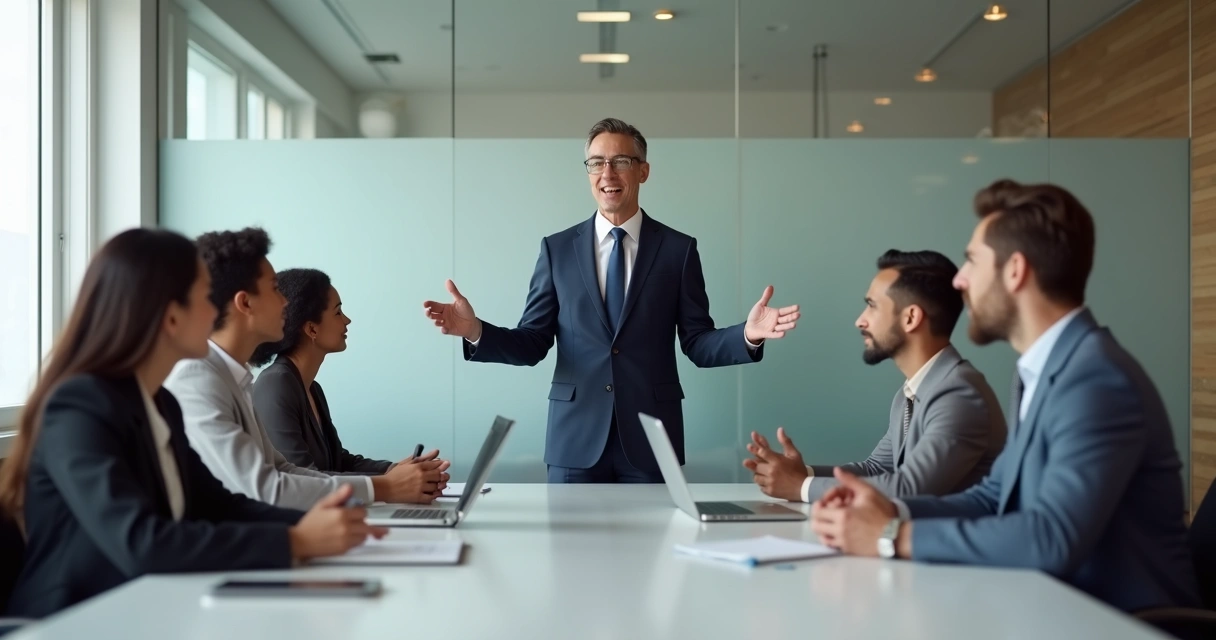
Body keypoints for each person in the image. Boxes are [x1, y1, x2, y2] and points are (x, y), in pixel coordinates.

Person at [809, 180, 1201, 613]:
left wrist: (890, 536)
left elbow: (1051, 538)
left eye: (973, 261)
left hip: (1119, 622)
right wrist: (887, 508)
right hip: (1054, 607)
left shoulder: (1095, 379)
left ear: (1015, 270)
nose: (959, 280)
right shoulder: (1042, 370)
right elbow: (992, 497)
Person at [0, 229, 385, 619]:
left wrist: (321, 523)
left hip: (146, 608)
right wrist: (295, 540)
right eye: (205, 297)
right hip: (70, 620)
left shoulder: (160, 401)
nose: (216, 310)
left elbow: (219, 504)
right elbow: (141, 541)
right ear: (170, 315)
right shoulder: (79, 406)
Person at [424, 117, 801, 483]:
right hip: (574, 439)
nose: (608, 173)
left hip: (652, 439)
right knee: (568, 548)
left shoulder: (678, 250)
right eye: (596, 163)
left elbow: (698, 343)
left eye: (621, 161)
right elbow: (532, 343)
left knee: (653, 547)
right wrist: (475, 331)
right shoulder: (557, 250)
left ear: (643, 171)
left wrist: (747, 335)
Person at [165, 228, 447, 510]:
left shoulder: (236, 380)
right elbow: (266, 489)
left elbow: (283, 469)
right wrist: (385, 486)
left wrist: (393, 476)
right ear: (246, 302)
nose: (285, 302)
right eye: (275, 289)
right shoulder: (199, 381)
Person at [744, 250, 1006, 503]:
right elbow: (876, 468)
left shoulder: (958, 394)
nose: (860, 321)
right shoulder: (913, 392)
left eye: (871, 306)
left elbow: (909, 488)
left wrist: (801, 487)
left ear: (911, 317)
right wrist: (803, 474)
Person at [251, 268, 394, 475]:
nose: (347, 320)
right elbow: (301, 478)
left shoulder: (312, 388)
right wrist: (390, 485)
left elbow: (339, 461)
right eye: (338, 312)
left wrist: (395, 470)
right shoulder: (276, 385)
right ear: (312, 329)